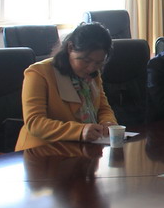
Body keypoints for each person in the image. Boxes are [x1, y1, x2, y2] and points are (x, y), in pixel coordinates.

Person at [16, 22, 117, 151]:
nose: (91, 68)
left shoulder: (93, 75)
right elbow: (35, 122)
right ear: (70, 48)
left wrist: (108, 122)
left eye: (98, 63)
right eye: (86, 60)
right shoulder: (39, 73)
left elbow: (102, 107)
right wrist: (79, 131)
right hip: (41, 151)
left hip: (79, 149)